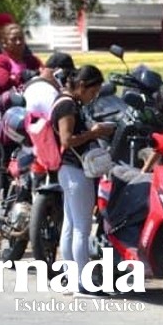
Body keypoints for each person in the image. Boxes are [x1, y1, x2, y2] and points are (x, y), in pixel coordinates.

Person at [53, 65, 114, 296]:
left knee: (70, 226)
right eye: (93, 91)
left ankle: (71, 279)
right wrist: (95, 133)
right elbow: (67, 139)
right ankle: (83, 282)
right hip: (75, 169)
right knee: (81, 228)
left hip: (67, 169)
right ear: (81, 86)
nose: (94, 96)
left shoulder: (65, 101)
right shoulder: (68, 104)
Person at [0, 24, 42, 93]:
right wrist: (24, 76)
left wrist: (14, 78)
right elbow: (4, 83)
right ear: (4, 43)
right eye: (14, 39)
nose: (18, 42)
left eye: (21, 38)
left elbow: (44, 74)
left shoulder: (32, 60)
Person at [23, 52, 76, 123]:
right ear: (58, 72)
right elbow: (59, 123)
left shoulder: (34, 81)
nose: (68, 79)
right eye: (67, 74)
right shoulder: (48, 92)